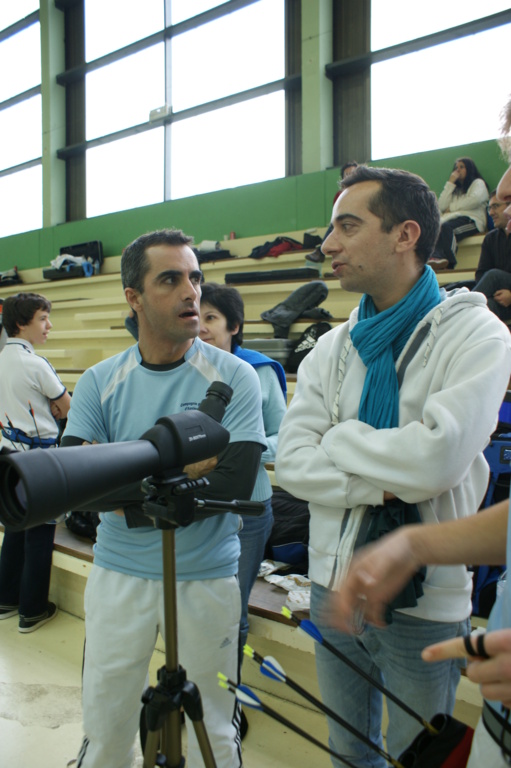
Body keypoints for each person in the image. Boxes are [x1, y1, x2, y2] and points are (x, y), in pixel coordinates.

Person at [274, 164, 511, 767]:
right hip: (332, 583)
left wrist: (340, 437)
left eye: (348, 226)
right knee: (347, 750)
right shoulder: (332, 346)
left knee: (417, 756)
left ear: (405, 235)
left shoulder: (477, 334)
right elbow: (293, 462)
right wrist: (380, 483)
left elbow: (435, 461)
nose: (328, 245)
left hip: (425, 603)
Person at [62, 229, 266, 768]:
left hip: (206, 577)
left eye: (195, 277)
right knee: (106, 726)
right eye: (170, 279)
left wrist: (121, 474)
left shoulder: (235, 376)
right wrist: (187, 473)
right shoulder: (100, 381)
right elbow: (77, 484)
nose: (191, 292)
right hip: (118, 574)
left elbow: (235, 482)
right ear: (133, 296)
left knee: (214, 729)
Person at [199, 282, 287, 654]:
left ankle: (228, 686)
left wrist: (240, 451)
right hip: (197, 505)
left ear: (234, 326)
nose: (200, 326)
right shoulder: (183, 368)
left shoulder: (259, 370)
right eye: (196, 316)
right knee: (197, 606)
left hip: (249, 511)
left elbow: (284, 438)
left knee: (233, 609)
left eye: (211, 318)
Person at [0, 292, 70, 632]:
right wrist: (55, 406)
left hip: (8, 457)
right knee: (40, 533)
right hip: (39, 459)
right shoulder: (35, 363)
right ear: (20, 323)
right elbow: (68, 407)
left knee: (15, 526)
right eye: (42, 318)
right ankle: (32, 610)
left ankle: (5, 599)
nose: (49, 325)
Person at [428, 156, 489, 270]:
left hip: (472, 220)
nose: (458, 170)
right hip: (452, 220)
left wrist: (451, 208)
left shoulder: (478, 183)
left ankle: (449, 263)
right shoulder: (455, 189)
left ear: (469, 169)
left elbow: (475, 200)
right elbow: (441, 206)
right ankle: (437, 258)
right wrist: (450, 183)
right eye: (456, 168)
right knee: (437, 228)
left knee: (446, 228)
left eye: (462, 167)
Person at [473, 189, 511, 322]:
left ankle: (462, 310)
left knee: (494, 275)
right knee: (485, 307)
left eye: (495, 206)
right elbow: (481, 274)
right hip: (500, 299)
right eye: (489, 208)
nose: (490, 213)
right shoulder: (490, 239)